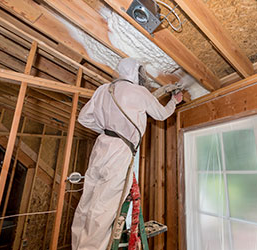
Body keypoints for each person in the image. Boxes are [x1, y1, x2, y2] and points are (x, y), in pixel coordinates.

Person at [71, 58, 183, 250]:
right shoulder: (139, 91)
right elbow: (161, 114)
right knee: (104, 206)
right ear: (136, 74)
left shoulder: (104, 89)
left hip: (101, 145)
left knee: (87, 200)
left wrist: (108, 128)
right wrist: (174, 101)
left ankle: (77, 245)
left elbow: (84, 118)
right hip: (120, 149)